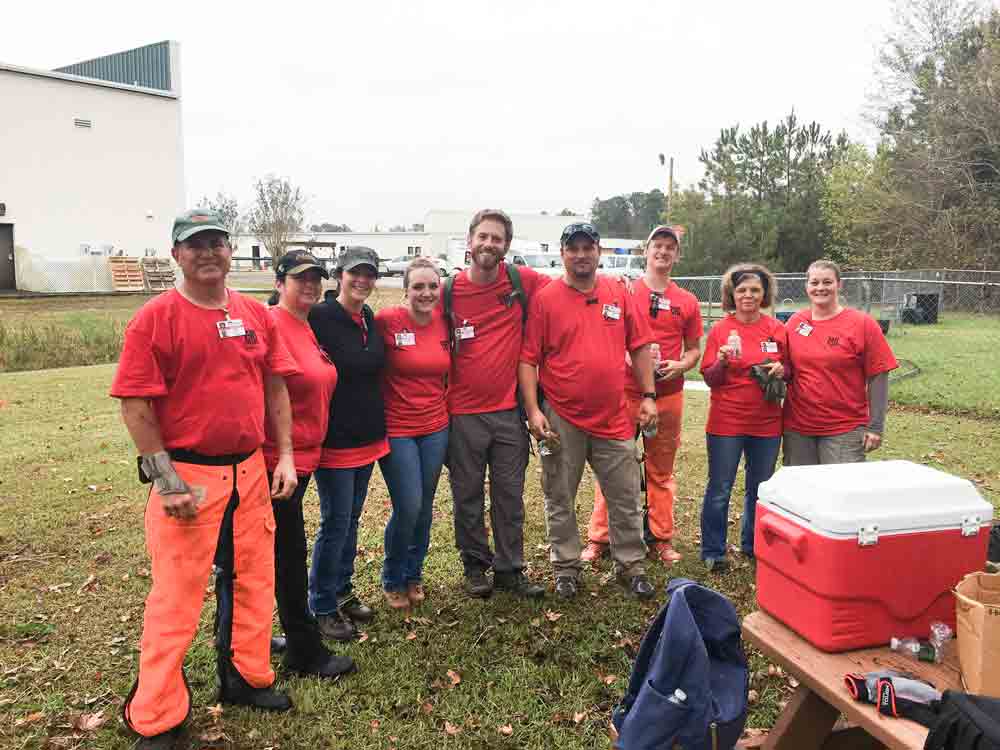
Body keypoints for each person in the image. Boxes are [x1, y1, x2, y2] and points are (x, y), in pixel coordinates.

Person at [111, 209, 299, 749]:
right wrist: (165, 479)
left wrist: (284, 456)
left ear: (229, 250)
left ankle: (245, 677)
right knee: (176, 597)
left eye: (217, 242)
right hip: (188, 473)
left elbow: (275, 387)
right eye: (195, 245)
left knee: (254, 580)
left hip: (250, 470)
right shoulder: (155, 318)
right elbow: (135, 404)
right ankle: (157, 716)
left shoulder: (254, 313)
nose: (208, 252)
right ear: (176, 254)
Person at [519, 222, 658, 600]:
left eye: (588, 247)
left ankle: (631, 565)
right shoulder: (546, 299)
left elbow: (640, 345)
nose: (581, 255)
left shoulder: (618, 291)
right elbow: (528, 359)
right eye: (573, 248)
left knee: (625, 495)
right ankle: (566, 567)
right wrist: (533, 410)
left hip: (613, 416)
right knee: (559, 495)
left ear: (598, 251)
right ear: (562, 253)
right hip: (561, 416)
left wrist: (648, 395)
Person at [582, 225, 703, 566]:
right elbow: (605, 331)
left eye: (670, 247)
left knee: (660, 469)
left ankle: (661, 538)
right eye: (657, 245)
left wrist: (681, 364)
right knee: (612, 466)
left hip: (668, 394)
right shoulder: (625, 290)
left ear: (677, 255)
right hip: (625, 392)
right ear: (646, 251)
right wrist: (626, 357)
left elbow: (694, 349)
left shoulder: (687, 301)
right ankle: (599, 537)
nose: (663, 251)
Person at [444, 209, 547, 600]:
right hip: (462, 415)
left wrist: (616, 283)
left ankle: (509, 569)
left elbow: (570, 287)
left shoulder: (523, 281)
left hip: (508, 414)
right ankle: (475, 566)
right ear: (470, 240)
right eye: (483, 236)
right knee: (467, 495)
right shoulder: (448, 291)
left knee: (509, 497)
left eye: (497, 238)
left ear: (507, 245)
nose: (489, 244)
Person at [263, 250, 355, 677]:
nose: (310, 285)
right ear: (279, 283)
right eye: (300, 278)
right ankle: (304, 650)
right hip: (275, 461)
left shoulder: (305, 325)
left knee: (271, 554)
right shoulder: (271, 324)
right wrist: (283, 453)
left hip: (303, 457)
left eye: (316, 278)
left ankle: (253, 635)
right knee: (287, 555)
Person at [308, 246, 387, 640]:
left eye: (369, 274)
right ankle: (321, 604)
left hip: (367, 439)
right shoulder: (320, 317)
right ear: (339, 275)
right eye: (355, 273)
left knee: (350, 519)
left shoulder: (368, 317)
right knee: (335, 523)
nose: (362, 280)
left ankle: (342, 589)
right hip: (334, 441)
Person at [699, 263, 788, 573]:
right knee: (720, 487)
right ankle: (713, 550)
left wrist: (783, 369)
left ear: (764, 294)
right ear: (732, 294)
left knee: (759, 488)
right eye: (742, 290)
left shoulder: (776, 329)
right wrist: (722, 362)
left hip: (767, 422)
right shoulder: (721, 330)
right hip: (727, 422)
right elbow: (710, 378)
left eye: (755, 290)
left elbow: (791, 368)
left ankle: (753, 545)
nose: (748, 295)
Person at [375, 258, 451, 609]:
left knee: (425, 506)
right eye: (418, 286)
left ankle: (414, 572)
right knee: (409, 505)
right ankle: (393, 576)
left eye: (433, 286)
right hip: (397, 428)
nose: (426, 293)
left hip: (436, 427)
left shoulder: (444, 322)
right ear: (405, 290)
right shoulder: (386, 321)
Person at [783, 260, 898, 465]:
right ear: (806, 286)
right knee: (801, 484)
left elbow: (878, 374)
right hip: (798, 427)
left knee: (842, 483)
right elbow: (787, 368)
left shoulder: (862, 324)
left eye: (827, 282)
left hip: (844, 428)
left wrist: (875, 426)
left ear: (839, 284)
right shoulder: (795, 323)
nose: (820, 288)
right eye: (814, 282)